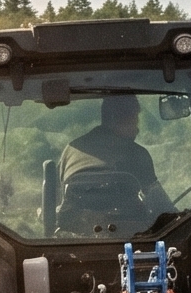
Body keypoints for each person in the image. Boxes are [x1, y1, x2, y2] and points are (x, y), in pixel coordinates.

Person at [55, 94, 161, 231]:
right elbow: (159, 205)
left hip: (76, 234)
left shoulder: (71, 150)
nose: (137, 129)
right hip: (127, 236)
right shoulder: (136, 154)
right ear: (116, 119)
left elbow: (57, 201)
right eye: (135, 120)